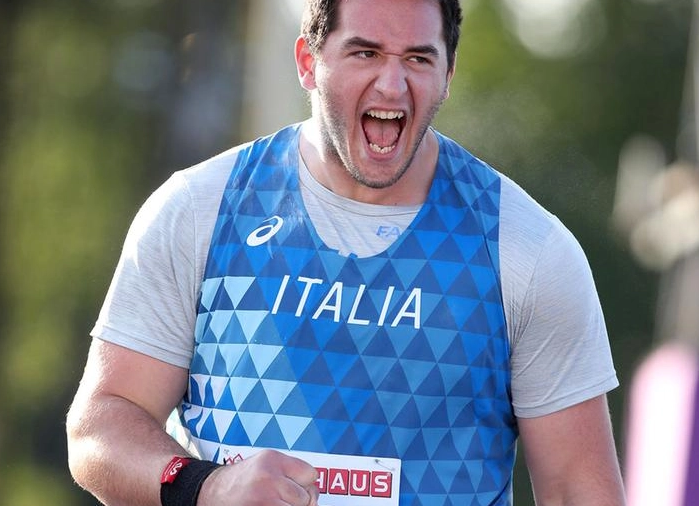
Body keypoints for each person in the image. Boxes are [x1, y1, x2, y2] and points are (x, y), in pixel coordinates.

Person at [66, 0, 627, 504]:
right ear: (308, 62)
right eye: (365, 52)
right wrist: (204, 487)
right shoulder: (199, 210)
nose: (391, 85)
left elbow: (580, 491)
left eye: (418, 59)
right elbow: (101, 426)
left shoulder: (527, 249)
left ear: (448, 74)